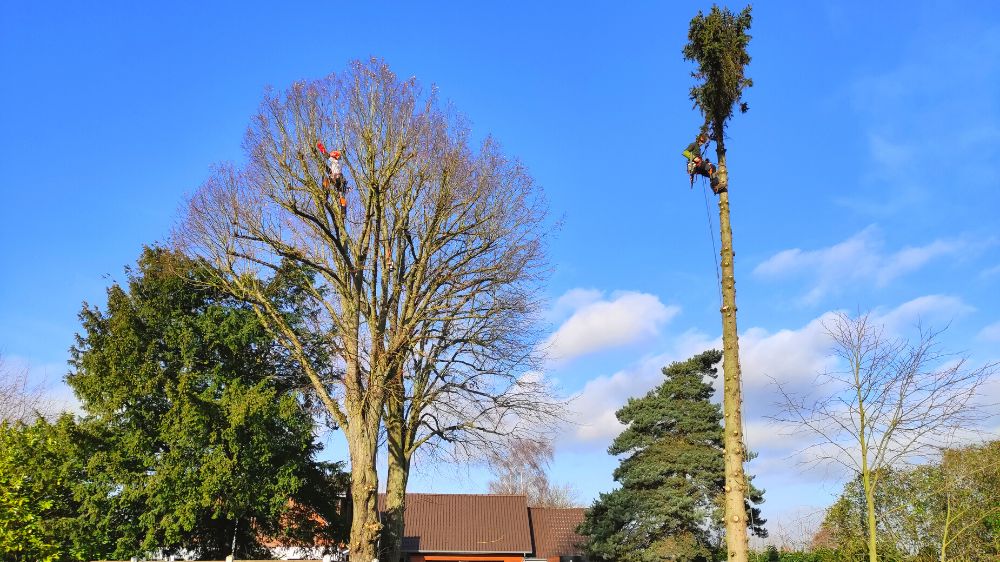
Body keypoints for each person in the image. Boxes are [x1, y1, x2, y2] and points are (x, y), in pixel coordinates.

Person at [316, 141, 348, 213]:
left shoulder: (334, 161)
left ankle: (325, 195)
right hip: (341, 180)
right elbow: (330, 170)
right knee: (341, 196)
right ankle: (343, 212)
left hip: (336, 178)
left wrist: (320, 146)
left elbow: (325, 154)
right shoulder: (337, 164)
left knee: (326, 181)